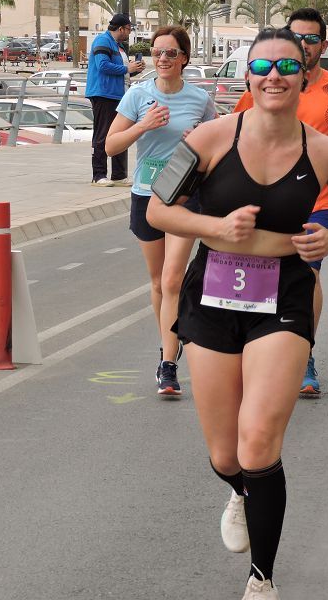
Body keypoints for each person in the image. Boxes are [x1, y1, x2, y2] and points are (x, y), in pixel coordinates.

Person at [147, 28, 328, 600]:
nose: (274, 76)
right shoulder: (208, 138)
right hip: (215, 294)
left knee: (258, 444)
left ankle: (261, 580)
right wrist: (215, 228)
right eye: (262, 66)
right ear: (247, 76)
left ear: (305, 75)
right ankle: (242, 491)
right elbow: (158, 209)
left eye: (286, 66)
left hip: (285, 296)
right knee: (226, 455)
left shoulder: (324, 150)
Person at [232, 8, 328, 398]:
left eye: (311, 39)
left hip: (318, 200)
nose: (304, 44)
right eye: (297, 37)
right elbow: (236, 135)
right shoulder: (262, 86)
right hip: (266, 198)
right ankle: (258, 350)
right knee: (261, 275)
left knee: (305, 276)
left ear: (323, 46)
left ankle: (304, 354)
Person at [105, 25, 217, 396]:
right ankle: (168, 344)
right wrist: (143, 125)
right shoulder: (138, 95)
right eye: (157, 53)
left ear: (184, 58)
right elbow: (110, 146)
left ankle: (168, 365)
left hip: (185, 194)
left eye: (171, 53)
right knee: (157, 282)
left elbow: (221, 146)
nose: (163, 59)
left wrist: (199, 139)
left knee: (172, 280)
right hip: (146, 194)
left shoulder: (199, 99)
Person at [86, 13, 144, 186]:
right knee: (102, 134)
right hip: (103, 93)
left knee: (120, 134)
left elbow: (120, 70)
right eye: (128, 29)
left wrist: (134, 69)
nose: (129, 32)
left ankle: (119, 175)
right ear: (121, 28)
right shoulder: (102, 41)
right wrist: (127, 67)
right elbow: (102, 65)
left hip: (119, 94)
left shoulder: (119, 46)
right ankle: (98, 175)